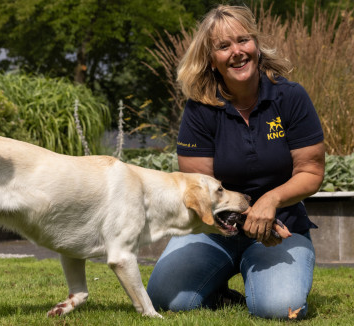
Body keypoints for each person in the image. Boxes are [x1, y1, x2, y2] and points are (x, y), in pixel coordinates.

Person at [146, 4, 325, 320]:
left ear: (256, 45)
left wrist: (271, 200)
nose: (237, 52)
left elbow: (310, 171)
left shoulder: (291, 97)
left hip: (282, 225)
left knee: (279, 308)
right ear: (211, 60)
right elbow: (198, 188)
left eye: (243, 40)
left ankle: (263, 277)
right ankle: (218, 286)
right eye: (223, 46)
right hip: (213, 228)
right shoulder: (200, 109)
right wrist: (245, 221)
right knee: (166, 299)